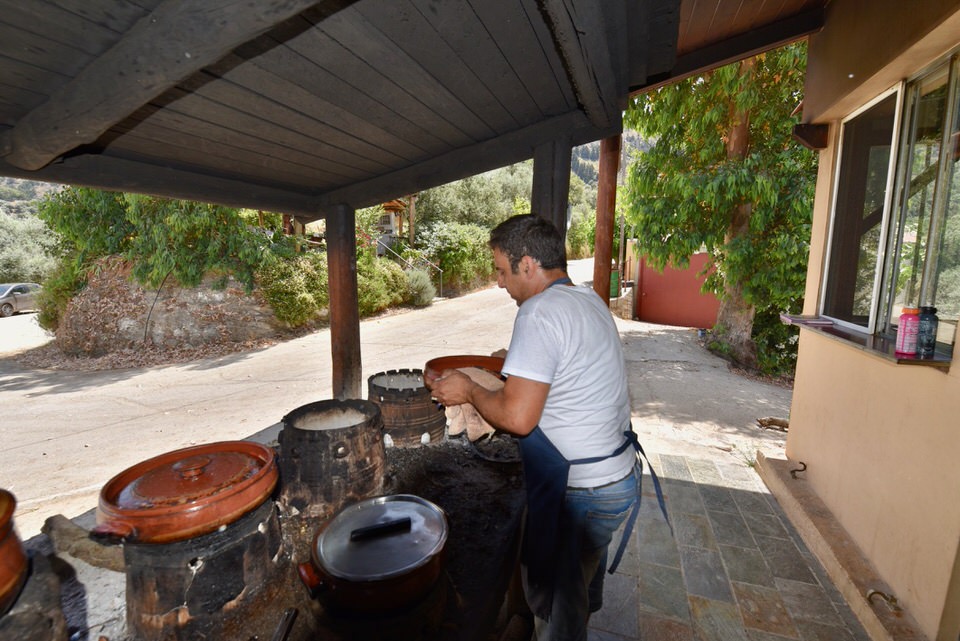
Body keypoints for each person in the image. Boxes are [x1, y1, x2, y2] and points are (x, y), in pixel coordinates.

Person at [427, 214, 659, 641]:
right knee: (576, 587)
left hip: (582, 491)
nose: (499, 282)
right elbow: (558, 385)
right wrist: (493, 384)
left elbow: (518, 418)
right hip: (616, 476)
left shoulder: (539, 312)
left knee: (555, 613)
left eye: (501, 270)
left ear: (528, 264)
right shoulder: (587, 299)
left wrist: (469, 391)